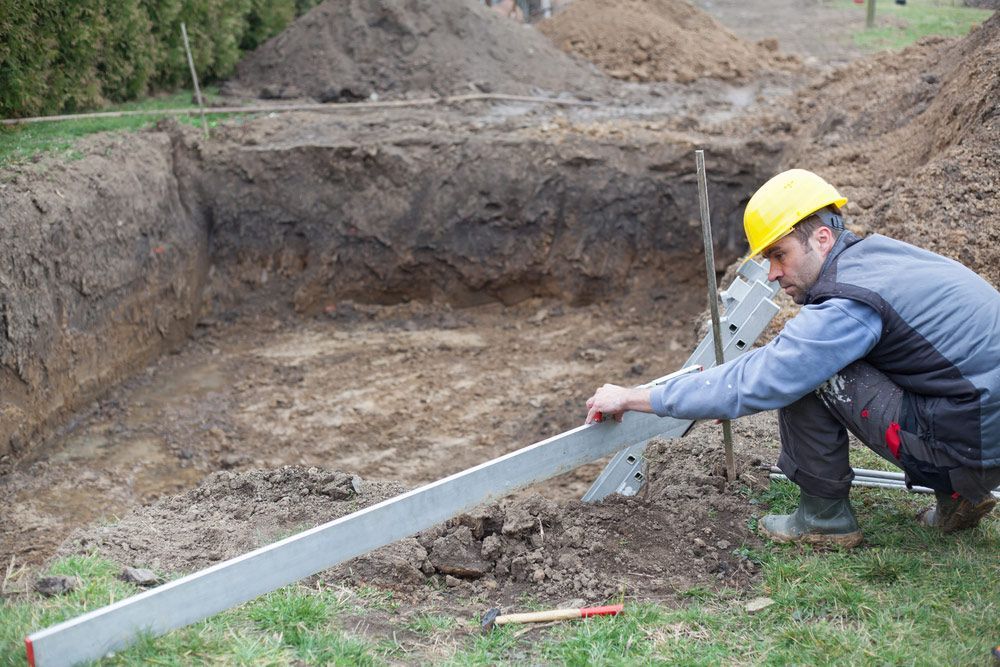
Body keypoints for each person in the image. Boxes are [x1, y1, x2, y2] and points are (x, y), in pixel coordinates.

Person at [585, 169, 1000, 547]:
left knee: (811, 376)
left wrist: (637, 396)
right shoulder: (882, 258)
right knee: (828, 362)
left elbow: (769, 375)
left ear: (821, 238)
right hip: (979, 426)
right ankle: (960, 496)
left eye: (779, 255)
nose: (772, 272)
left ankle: (824, 519)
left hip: (971, 446)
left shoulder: (848, 302)